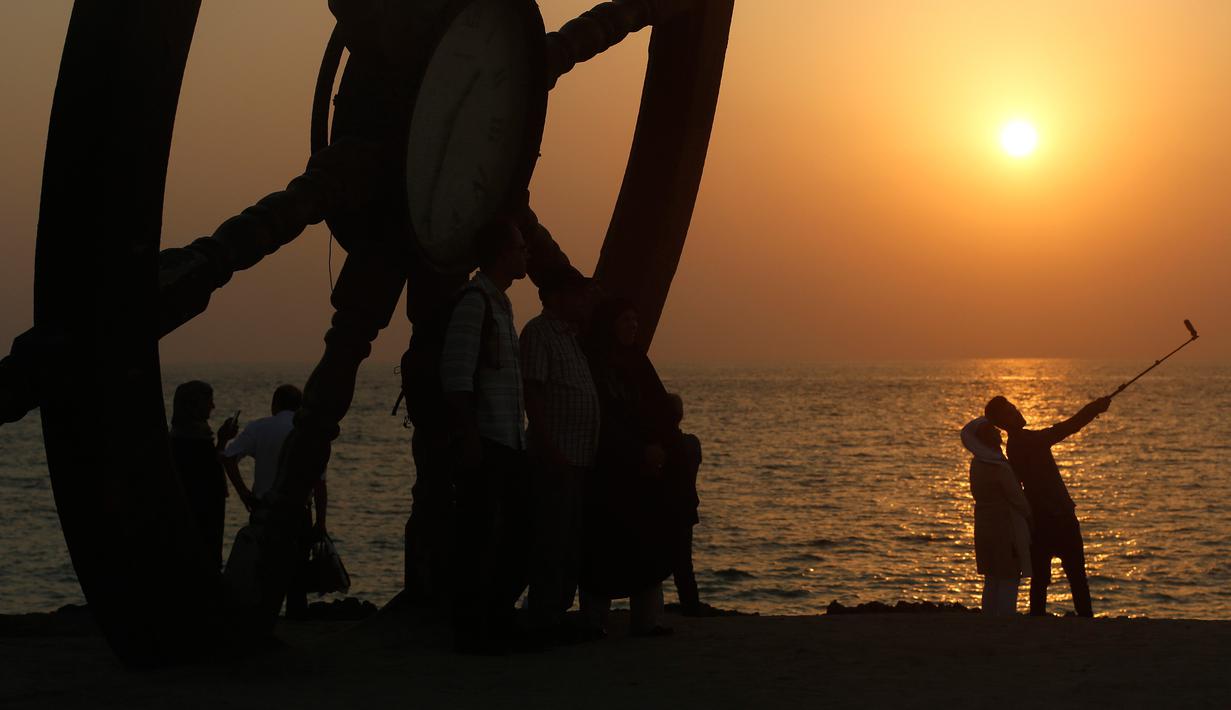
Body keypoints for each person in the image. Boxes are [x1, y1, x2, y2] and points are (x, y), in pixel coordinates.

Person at [440, 217, 531, 654]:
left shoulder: (499, 305)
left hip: (508, 442)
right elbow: (456, 378)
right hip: (489, 443)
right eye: (518, 247)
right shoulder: (475, 304)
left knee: (507, 537)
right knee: (480, 538)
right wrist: (471, 440)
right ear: (500, 254)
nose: (525, 254)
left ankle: (494, 620)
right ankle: (476, 629)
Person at [582, 298, 688, 637]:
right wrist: (640, 451)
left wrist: (659, 451)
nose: (632, 325)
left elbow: (658, 409)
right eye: (625, 318)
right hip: (613, 472)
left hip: (645, 474)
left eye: (635, 319)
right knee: (604, 549)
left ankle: (645, 621)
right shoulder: (597, 365)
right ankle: (594, 622)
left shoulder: (638, 362)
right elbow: (603, 419)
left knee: (647, 550)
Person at [520, 265, 601, 641]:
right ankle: (541, 617)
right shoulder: (540, 334)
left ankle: (555, 613)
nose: (584, 300)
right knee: (551, 539)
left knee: (569, 540)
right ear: (555, 298)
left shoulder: (570, 337)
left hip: (578, 457)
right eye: (576, 294)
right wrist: (547, 446)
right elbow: (533, 394)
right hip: (556, 457)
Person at [985, 395, 1111, 617]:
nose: (1017, 411)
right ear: (1004, 423)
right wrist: (1093, 409)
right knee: (1075, 579)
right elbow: (1065, 428)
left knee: (1042, 580)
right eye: (1010, 411)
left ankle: (1039, 622)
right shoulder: (1025, 442)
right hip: (1055, 518)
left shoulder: (1017, 445)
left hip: (1042, 519)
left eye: (1014, 407)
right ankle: (1082, 622)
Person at [220, 384, 322, 618]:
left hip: (263, 506)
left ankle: (261, 617)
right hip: (299, 509)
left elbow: (229, 458)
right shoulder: (306, 432)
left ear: (274, 404)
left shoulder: (259, 427)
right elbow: (319, 481)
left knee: (263, 566)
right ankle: (296, 617)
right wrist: (321, 520)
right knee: (297, 571)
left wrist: (244, 493)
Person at [961, 416, 1032, 616]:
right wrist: (1029, 515)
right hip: (1005, 526)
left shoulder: (977, 464)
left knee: (992, 576)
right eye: (992, 430)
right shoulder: (998, 466)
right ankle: (1005, 617)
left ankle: (990, 616)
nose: (998, 432)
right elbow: (1017, 498)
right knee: (1009, 575)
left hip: (984, 524)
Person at [169, 380, 237, 572]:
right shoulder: (188, 441)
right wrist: (223, 441)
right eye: (209, 401)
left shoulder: (185, 438)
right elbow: (207, 472)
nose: (213, 406)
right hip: (201, 514)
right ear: (194, 404)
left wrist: (222, 440)